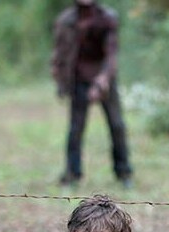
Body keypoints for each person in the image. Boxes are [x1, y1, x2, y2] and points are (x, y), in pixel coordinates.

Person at [51, 0, 133, 186]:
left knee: (117, 125)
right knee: (76, 129)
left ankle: (124, 172)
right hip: (78, 80)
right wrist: (60, 78)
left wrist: (103, 79)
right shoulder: (66, 21)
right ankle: (72, 174)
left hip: (104, 79)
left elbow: (111, 54)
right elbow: (59, 53)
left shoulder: (107, 18)